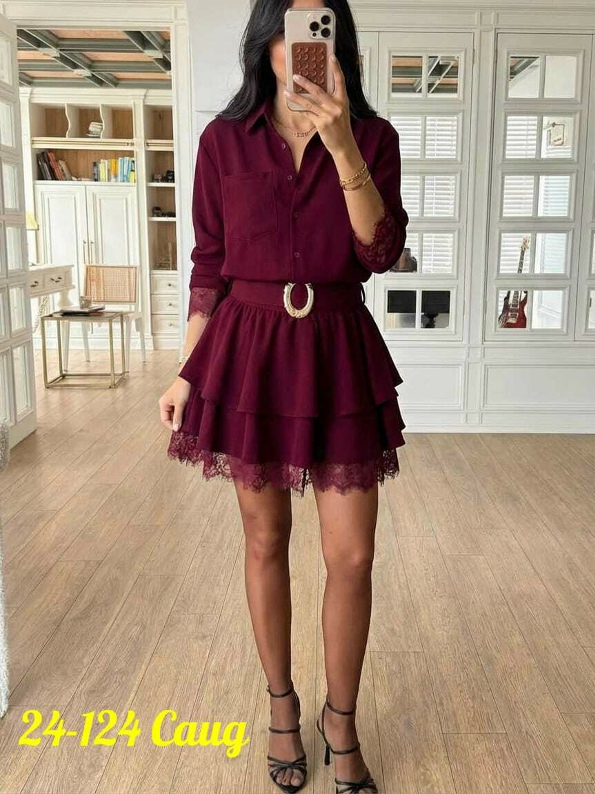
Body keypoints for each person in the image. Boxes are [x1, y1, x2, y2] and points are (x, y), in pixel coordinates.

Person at [158, 0, 409, 791]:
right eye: (291, 29)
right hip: (249, 352)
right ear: (265, 41)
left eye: (320, 28)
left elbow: (379, 251)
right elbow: (209, 265)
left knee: (353, 555)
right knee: (265, 539)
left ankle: (342, 720)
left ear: (338, 43)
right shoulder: (223, 141)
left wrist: (340, 142)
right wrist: (187, 369)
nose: (304, 45)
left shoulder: (372, 137)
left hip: (337, 347)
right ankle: (280, 707)